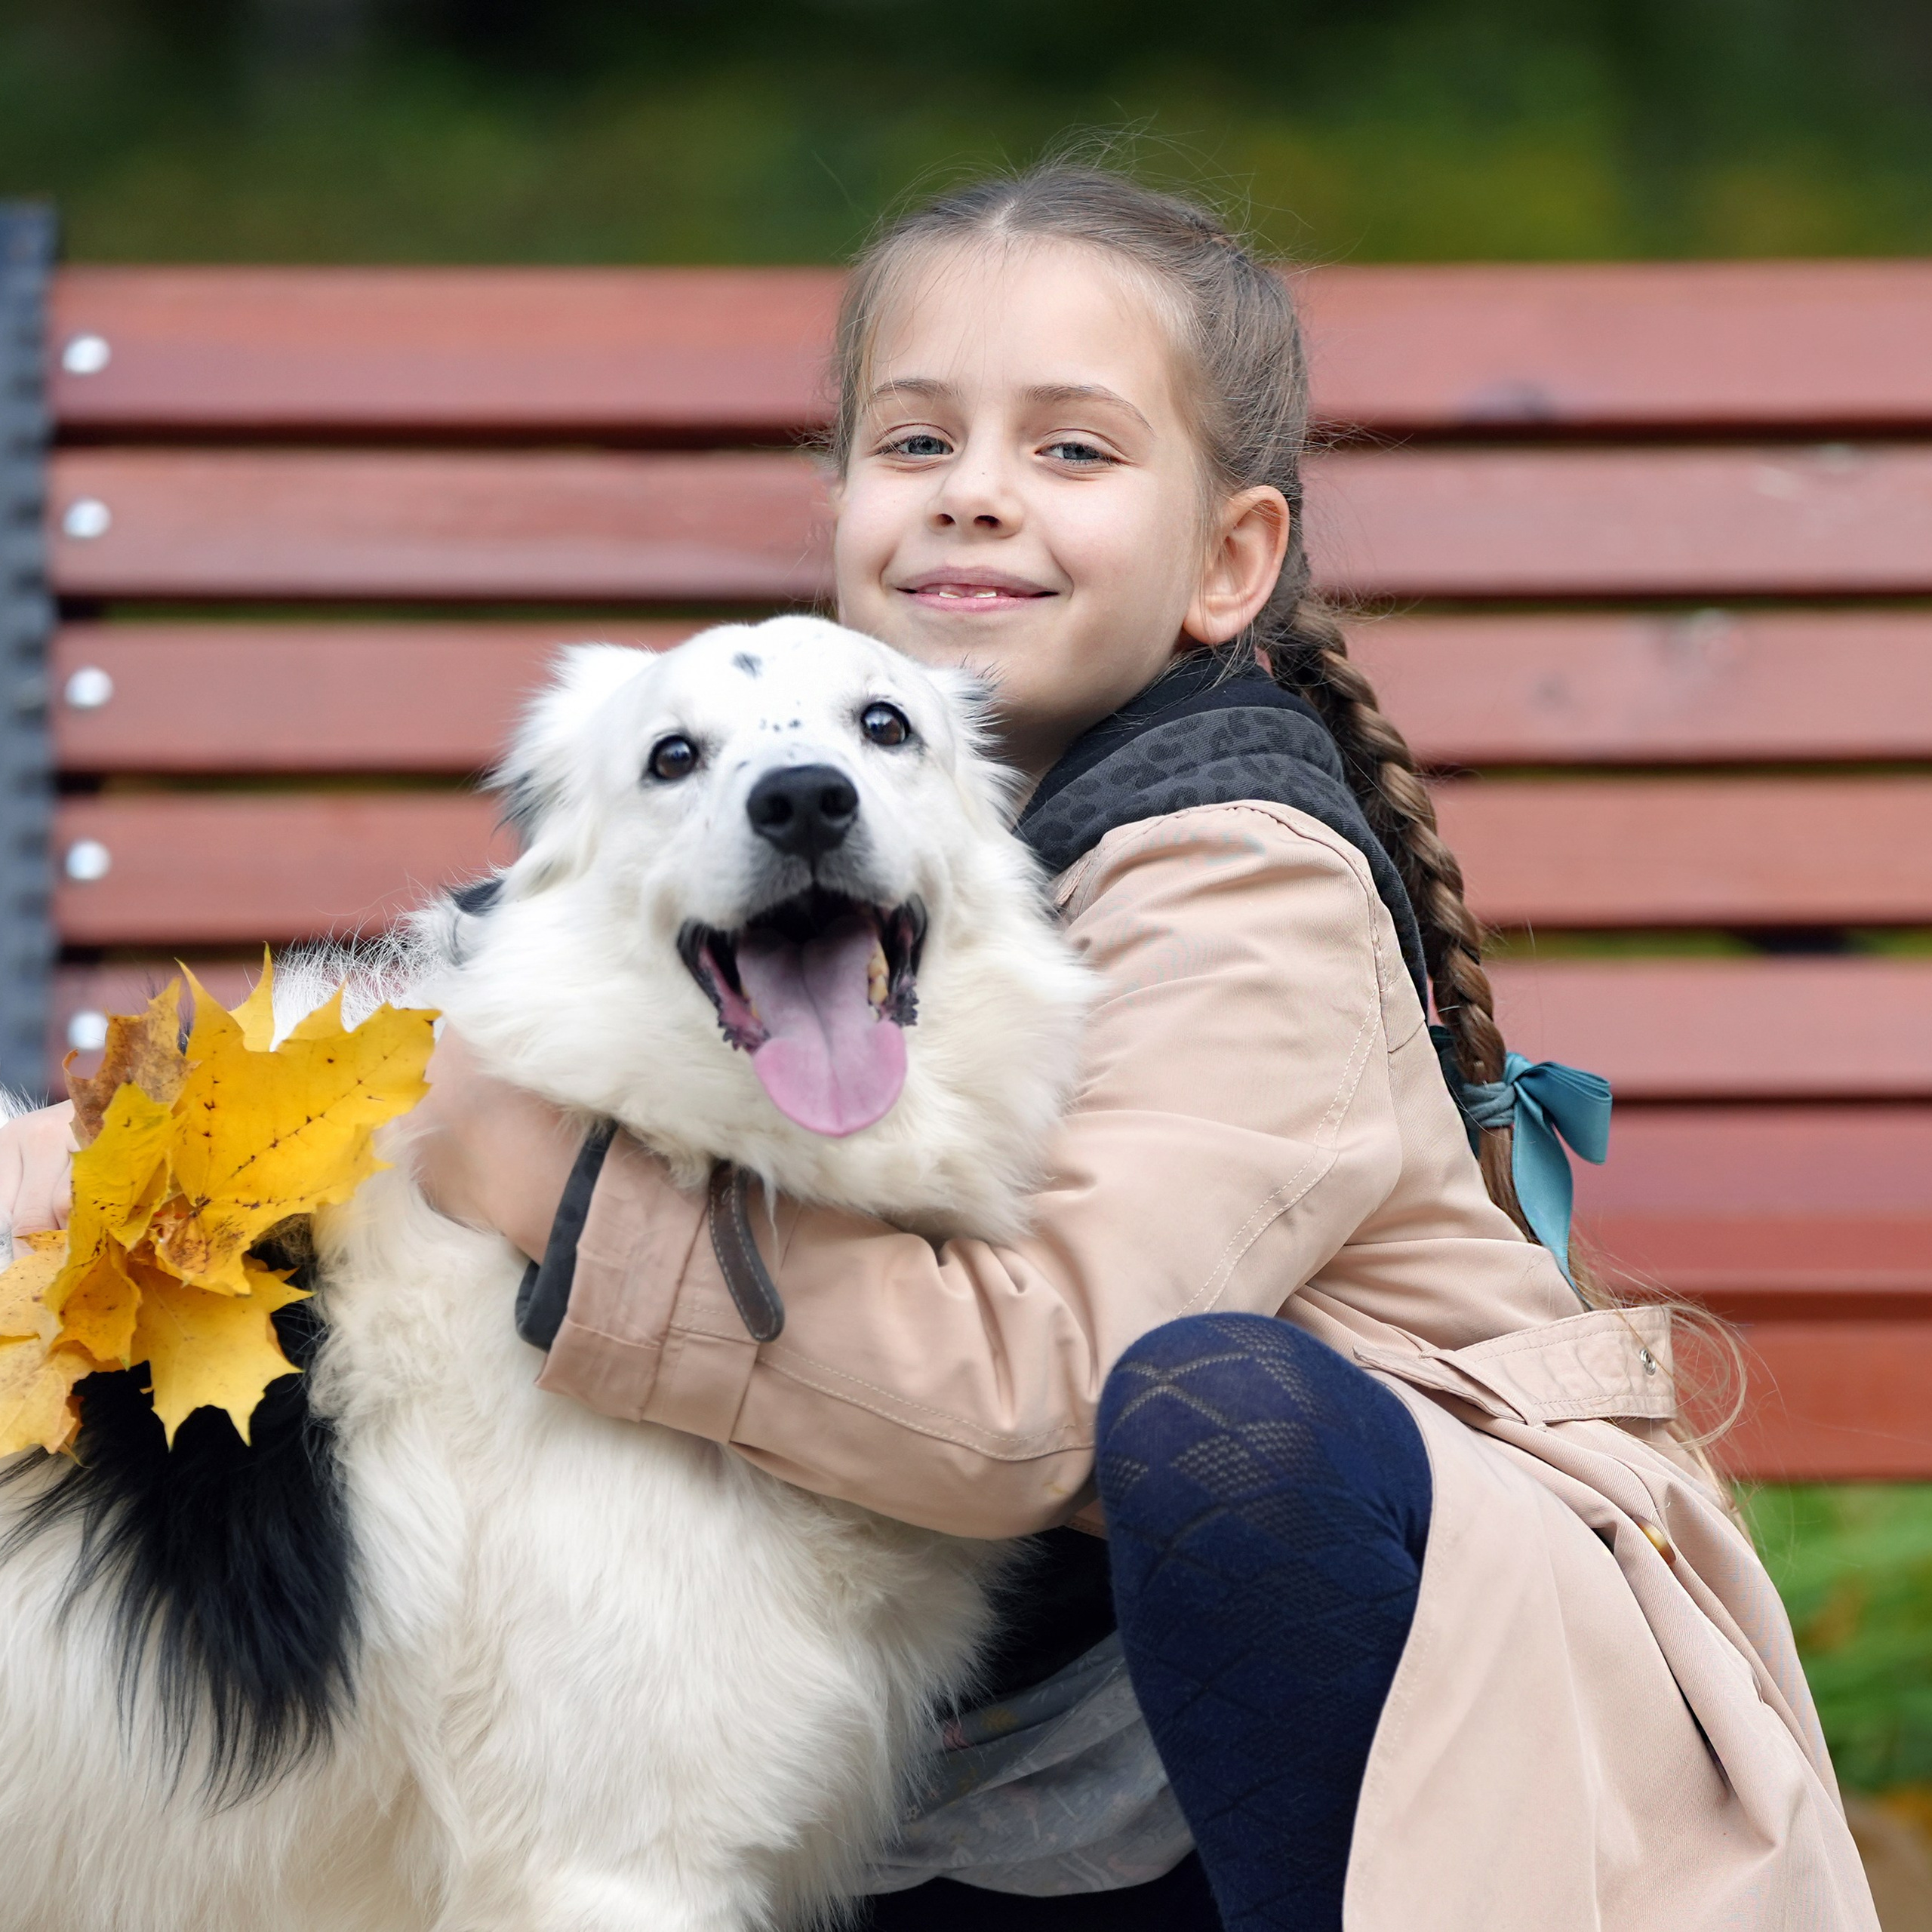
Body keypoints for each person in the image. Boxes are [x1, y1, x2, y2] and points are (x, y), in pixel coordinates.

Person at [0, 167, 1876, 1932]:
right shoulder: (813, 854)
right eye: (915, 441)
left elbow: (1042, 1393)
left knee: (1211, 1417)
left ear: (1229, 561)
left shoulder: (1244, 885)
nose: (976, 492)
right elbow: (457, 1020)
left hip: (1405, 1734)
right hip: (1008, 1741)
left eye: (1069, 447)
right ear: (839, 516)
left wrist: (556, 1199)